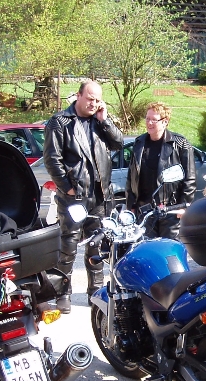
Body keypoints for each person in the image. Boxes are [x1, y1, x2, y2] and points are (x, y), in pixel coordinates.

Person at [43, 79, 124, 313]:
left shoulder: (99, 121)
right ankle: (62, 292)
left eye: (97, 100)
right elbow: (52, 159)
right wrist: (67, 187)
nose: (93, 104)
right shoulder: (60, 122)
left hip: (100, 195)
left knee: (97, 245)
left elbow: (118, 143)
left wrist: (105, 120)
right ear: (78, 96)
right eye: (89, 99)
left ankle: (95, 291)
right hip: (74, 195)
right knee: (68, 245)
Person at [125, 102, 196, 238]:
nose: (149, 123)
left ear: (165, 122)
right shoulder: (139, 143)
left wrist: (183, 206)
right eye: (147, 118)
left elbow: (190, 179)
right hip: (144, 210)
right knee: (147, 248)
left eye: (154, 119)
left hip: (170, 210)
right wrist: (131, 205)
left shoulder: (180, 143)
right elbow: (131, 176)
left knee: (168, 248)